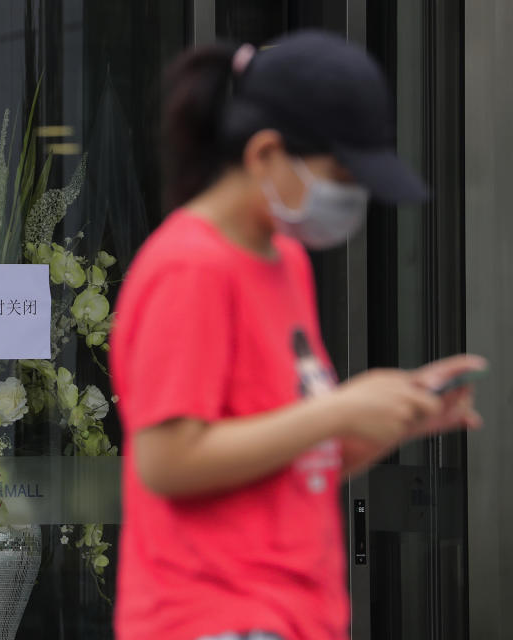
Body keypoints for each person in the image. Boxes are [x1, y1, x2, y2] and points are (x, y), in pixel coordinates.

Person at [109, 31, 485, 640]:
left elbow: (289, 460)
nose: (352, 197)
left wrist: (395, 416)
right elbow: (168, 461)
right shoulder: (190, 266)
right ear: (265, 155)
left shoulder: (285, 261)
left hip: (294, 614)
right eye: (341, 173)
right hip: (214, 616)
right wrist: (340, 408)